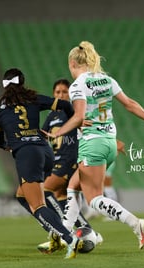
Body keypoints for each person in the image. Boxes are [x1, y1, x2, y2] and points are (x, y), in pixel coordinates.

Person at [43, 41, 144, 250]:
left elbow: (79, 116)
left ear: (72, 63)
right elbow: (129, 104)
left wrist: (60, 132)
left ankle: (136, 223)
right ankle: (65, 237)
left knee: (94, 199)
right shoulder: (107, 80)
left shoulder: (78, 85)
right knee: (73, 187)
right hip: (109, 142)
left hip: (92, 144)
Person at [0, 68, 83, 259]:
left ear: (4, 85)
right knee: (22, 196)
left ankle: (69, 238)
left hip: (27, 155)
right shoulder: (33, 98)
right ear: (22, 83)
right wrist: (75, 124)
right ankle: (56, 232)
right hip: (46, 152)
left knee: (38, 206)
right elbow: (65, 105)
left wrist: (9, 145)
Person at [37, 79, 102, 253]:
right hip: (56, 161)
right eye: (57, 92)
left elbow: (86, 127)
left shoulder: (73, 112)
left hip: (68, 161)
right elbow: (45, 137)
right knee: (61, 199)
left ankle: (60, 233)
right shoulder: (51, 116)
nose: (61, 95)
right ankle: (91, 233)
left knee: (44, 191)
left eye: (64, 92)